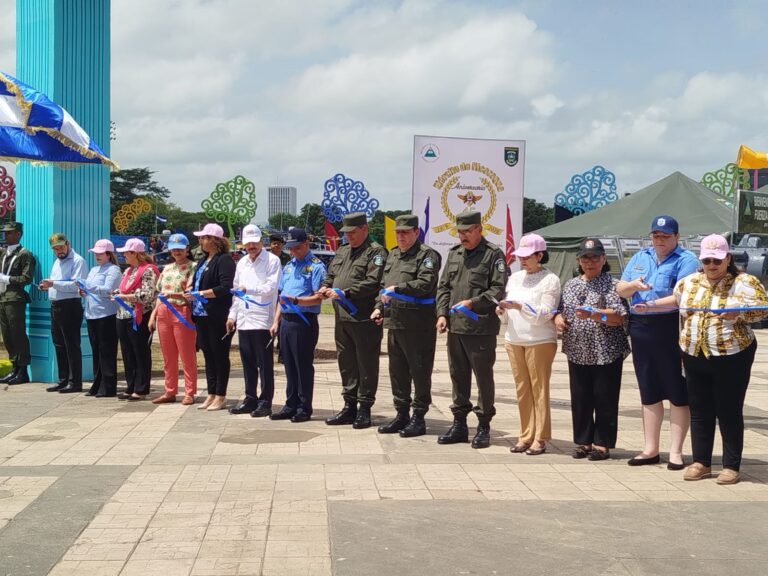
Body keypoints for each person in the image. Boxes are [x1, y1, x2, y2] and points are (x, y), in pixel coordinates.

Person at [642, 235, 768, 484]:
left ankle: (731, 465)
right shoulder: (690, 281)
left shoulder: (744, 282)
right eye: (707, 260)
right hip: (693, 353)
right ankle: (701, 462)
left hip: (731, 356)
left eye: (717, 260)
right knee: (700, 410)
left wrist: (738, 314)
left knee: (728, 410)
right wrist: (651, 305)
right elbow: (677, 301)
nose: (712, 265)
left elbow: (762, 309)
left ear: (728, 259)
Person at [617, 215, 699, 469]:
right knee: (648, 388)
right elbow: (621, 288)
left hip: (670, 326)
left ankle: (676, 451)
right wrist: (633, 285)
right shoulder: (641, 257)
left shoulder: (687, 260)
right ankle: (650, 449)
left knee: (677, 389)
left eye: (665, 236)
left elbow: (681, 296)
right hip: (641, 326)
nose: (660, 240)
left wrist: (650, 304)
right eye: (656, 236)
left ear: (676, 236)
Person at [435, 211, 507, 449]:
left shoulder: (492, 255)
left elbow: (498, 289)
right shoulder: (454, 254)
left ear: (479, 229)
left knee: (483, 378)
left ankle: (484, 425)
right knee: (458, 376)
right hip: (455, 328)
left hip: (480, 328)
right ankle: (459, 425)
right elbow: (444, 286)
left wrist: (472, 303)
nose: (463, 236)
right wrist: (442, 314)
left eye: (467, 231)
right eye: (460, 231)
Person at [554, 239, 630, 461]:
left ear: (604, 259)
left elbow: (618, 318)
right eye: (585, 258)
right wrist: (558, 319)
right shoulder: (570, 285)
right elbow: (558, 310)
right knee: (580, 398)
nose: (590, 262)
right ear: (578, 260)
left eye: (595, 257)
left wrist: (596, 314)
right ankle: (583, 441)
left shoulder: (613, 284)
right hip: (577, 349)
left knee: (604, 398)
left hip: (606, 350)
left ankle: (602, 443)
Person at [371, 214, 441, 437]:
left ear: (415, 232)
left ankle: (419, 417)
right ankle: (401, 414)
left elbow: (425, 283)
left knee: (419, 372)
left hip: (418, 325)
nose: (400, 236)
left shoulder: (427, 255)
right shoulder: (392, 255)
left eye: (405, 232)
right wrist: (378, 308)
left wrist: (399, 289)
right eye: (398, 232)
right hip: (395, 323)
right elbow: (383, 286)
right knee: (397, 372)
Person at [319, 212, 387, 429]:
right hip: (342, 318)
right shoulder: (343, 251)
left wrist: (346, 292)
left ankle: (365, 408)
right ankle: (349, 406)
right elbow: (332, 274)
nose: (348, 236)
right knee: (346, 361)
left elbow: (373, 282)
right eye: (346, 233)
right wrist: (326, 286)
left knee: (366, 363)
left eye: (352, 232)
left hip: (363, 317)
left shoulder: (375, 252)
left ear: (364, 229)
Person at [496, 233, 560, 455]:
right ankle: (525, 434)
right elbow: (506, 311)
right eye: (520, 256)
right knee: (522, 389)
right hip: (514, 339)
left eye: (527, 256)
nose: (522, 260)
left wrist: (520, 306)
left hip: (539, 340)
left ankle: (540, 437)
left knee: (539, 389)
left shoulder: (550, 280)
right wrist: (502, 310)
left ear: (539, 255)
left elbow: (546, 313)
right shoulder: (514, 278)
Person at [270, 228, 326, 422]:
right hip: (286, 321)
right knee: (289, 366)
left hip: (304, 321)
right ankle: (290, 403)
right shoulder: (289, 266)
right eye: (291, 249)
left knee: (302, 366)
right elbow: (281, 296)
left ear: (306, 244)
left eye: (297, 248)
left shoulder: (316, 266)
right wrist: (276, 321)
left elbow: (319, 298)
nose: (294, 252)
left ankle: (304, 406)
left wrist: (298, 301)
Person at [227, 224, 281, 417]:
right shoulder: (241, 263)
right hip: (244, 318)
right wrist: (232, 315)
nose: (251, 246)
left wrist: (247, 290)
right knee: (247, 361)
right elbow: (235, 290)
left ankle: (265, 401)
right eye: (248, 243)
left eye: (254, 242)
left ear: (261, 241)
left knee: (264, 363)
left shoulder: (272, 261)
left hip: (262, 318)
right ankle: (250, 398)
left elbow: (270, 288)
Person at [187, 223, 235, 411]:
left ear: (214, 240)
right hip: (201, 315)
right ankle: (211, 392)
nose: (200, 241)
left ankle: (220, 394)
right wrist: (191, 292)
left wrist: (202, 294)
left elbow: (225, 288)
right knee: (208, 354)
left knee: (219, 354)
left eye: (204, 238)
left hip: (217, 314)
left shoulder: (224, 260)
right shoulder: (203, 261)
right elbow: (197, 284)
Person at [148, 233, 197, 405]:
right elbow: (159, 294)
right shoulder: (167, 268)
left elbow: (190, 294)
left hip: (181, 311)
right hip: (163, 312)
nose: (176, 251)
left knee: (187, 355)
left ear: (187, 249)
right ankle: (170, 391)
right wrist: (153, 316)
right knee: (168, 356)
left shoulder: (193, 267)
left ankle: (189, 392)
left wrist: (173, 295)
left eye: (180, 248)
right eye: (173, 248)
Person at [39, 233, 87, 393]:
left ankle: (75, 382)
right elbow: (57, 283)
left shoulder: (77, 261)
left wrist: (53, 284)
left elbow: (76, 285)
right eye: (55, 249)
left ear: (68, 243)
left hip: (70, 306)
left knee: (71, 344)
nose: (58, 251)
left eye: (60, 247)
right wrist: (47, 285)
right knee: (59, 344)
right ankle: (63, 379)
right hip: (56, 305)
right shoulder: (57, 262)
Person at [114, 238, 159, 401]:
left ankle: (141, 388)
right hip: (122, 315)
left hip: (140, 315)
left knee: (140, 351)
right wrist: (116, 293)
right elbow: (122, 288)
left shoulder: (148, 270)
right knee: (127, 352)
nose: (124, 255)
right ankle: (131, 384)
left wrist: (124, 297)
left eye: (126, 252)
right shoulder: (128, 271)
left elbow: (147, 296)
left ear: (135, 253)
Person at [82, 239, 121, 397]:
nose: (97, 256)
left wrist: (88, 286)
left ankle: (109, 386)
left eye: (101, 253)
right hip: (92, 313)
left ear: (109, 254)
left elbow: (108, 290)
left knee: (107, 351)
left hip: (106, 314)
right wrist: (83, 291)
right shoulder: (93, 270)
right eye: (96, 253)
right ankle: (97, 383)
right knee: (96, 350)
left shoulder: (113, 270)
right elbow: (91, 290)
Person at [0, 222, 35, 385]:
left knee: (18, 334)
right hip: (2, 297)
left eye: (10, 233)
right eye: (5, 233)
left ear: (18, 234)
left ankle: (23, 371)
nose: (6, 235)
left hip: (15, 298)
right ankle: (14, 368)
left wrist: (8, 279)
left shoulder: (25, 254)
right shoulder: (3, 253)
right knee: (7, 336)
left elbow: (26, 278)